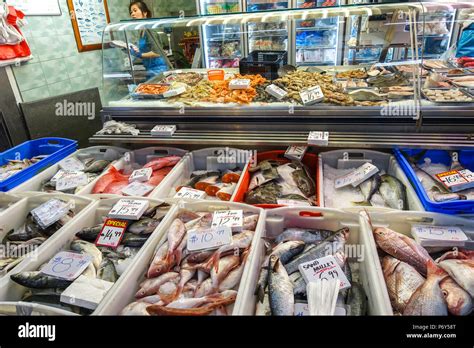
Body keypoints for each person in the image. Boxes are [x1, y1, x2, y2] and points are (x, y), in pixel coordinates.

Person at [129, 1, 168, 76]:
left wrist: (140, 55)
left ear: (145, 13)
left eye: (135, 10)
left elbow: (157, 52)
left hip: (158, 70)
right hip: (150, 69)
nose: (132, 14)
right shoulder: (142, 30)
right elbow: (147, 48)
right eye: (131, 12)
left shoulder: (149, 30)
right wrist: (134, 50)